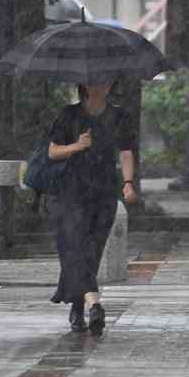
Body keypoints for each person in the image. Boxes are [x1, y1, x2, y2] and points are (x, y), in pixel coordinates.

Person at [48, 82, 137, 334]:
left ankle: (77, 306)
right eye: (99, 80)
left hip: (104, 193)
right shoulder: (69, 115)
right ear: (86, 85)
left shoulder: (119, 116)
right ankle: (93, 304)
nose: (105, 84)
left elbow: (126, 151)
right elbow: (52, 151)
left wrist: (128, 183)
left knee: (91, 251)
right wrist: (76, 146)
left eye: (108, 80)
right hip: (71, 193)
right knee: (76, 248)